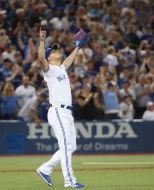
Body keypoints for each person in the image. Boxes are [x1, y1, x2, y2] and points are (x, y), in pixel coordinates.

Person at [36, 27, 87, 188]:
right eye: (53, 51)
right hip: (57, 110)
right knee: (66, 146)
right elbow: (40, 60)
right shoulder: (49, 70)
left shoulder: (62, 68)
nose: (57, 52)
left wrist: (77, 46)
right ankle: (69, 181)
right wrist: (42, 41)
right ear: (49, 58)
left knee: (71, 146)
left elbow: (69, 60)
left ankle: (45, 168)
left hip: (67, 111)